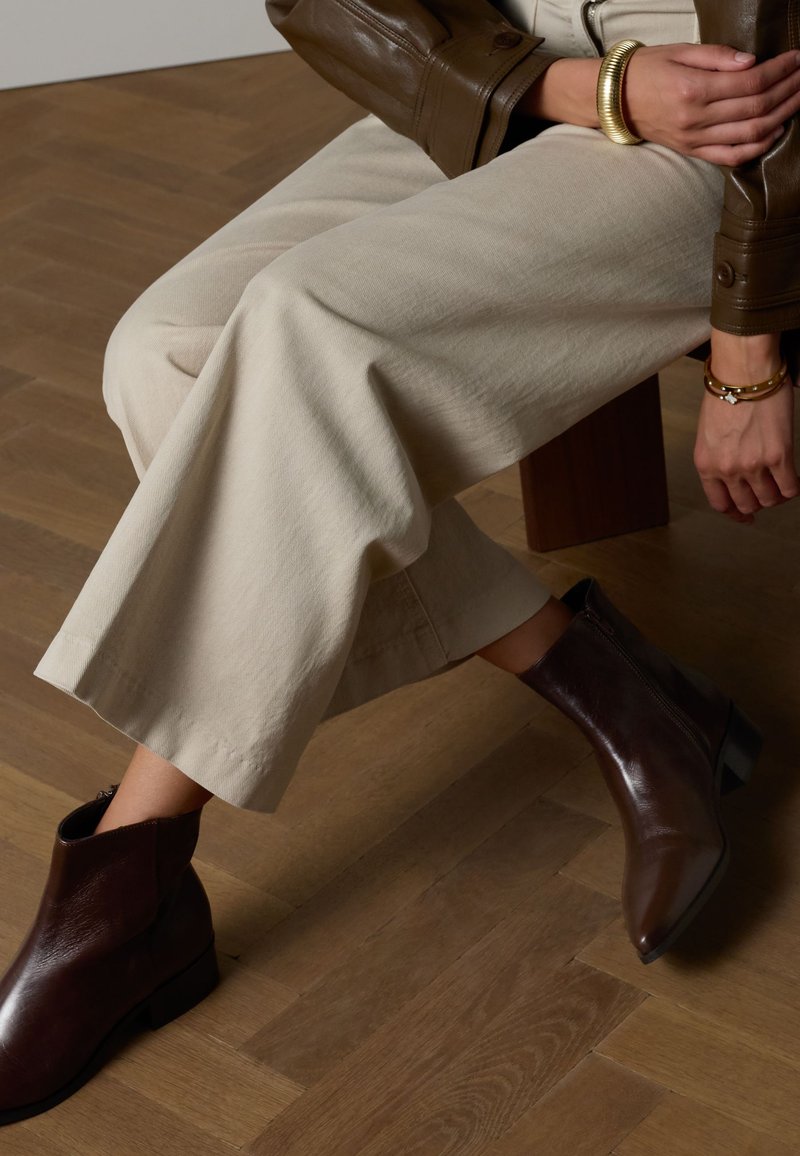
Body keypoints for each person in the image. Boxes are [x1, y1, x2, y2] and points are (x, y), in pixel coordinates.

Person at [1, 0, 797, 1127]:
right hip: (498, 69)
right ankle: (611, 690)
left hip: (732, 123)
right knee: (163, 355)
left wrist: (746, 353)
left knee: (303, 328)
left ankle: (131, 870)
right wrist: (558, 88)